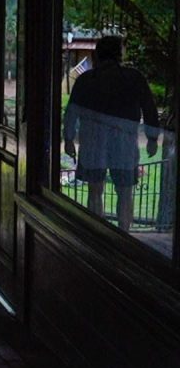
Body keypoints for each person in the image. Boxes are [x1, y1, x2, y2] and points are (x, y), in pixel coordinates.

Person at [63, 35, 160, 231]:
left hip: (92, 140)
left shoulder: (86, 80)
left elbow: (71, 112)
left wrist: (69, 139)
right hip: (124, 141)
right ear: (119, 54)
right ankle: (123, 235)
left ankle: (96, 234)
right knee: (125, 193)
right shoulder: (134, 77)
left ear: (97, 54)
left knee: (94, 191)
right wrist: (152, 138)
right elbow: (149, 108)